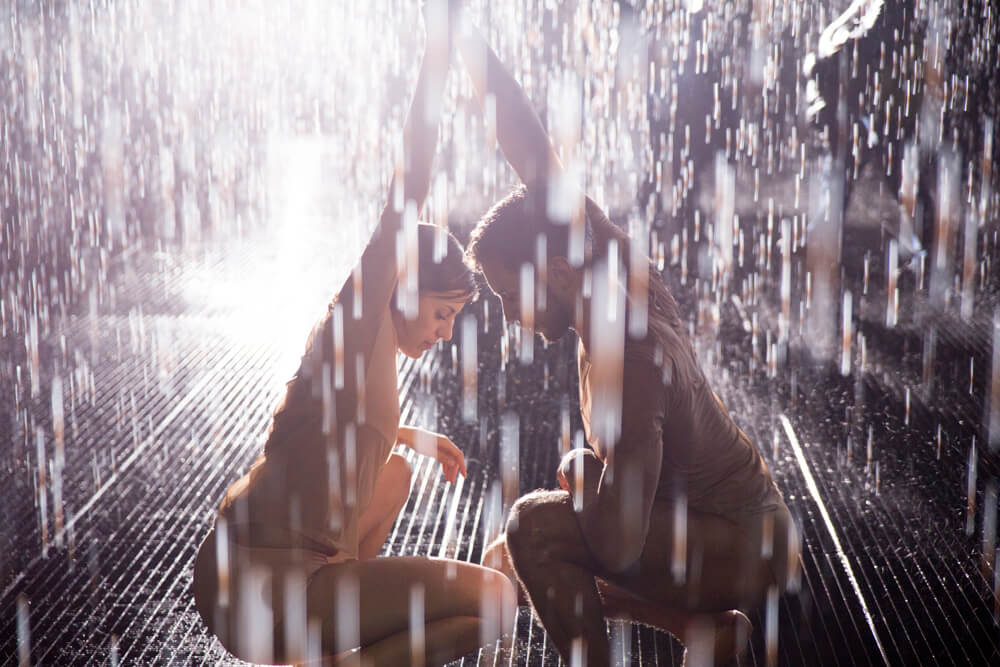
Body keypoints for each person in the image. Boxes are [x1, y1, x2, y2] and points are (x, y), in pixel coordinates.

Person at [453, 17, 800, 667]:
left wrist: (566, 506)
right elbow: (529, 147)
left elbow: (615, 546)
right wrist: (467, 43)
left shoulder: (629, 362)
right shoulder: (606, 270)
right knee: (552, 507)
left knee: (532, 527)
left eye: (509, 297)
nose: (509, 317)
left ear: (553, 272)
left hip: (748, 547)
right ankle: (703, 630)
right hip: (729, 525)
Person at [191, 5, 516, 665]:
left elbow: (328, 429)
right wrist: (439, 56)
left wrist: (411, 436)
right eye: (441, 313)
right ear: (400, 285)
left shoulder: (356, 356)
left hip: (240, 576)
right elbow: (409, 190)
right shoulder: (358, 318)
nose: (444, 333)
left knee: (395, 475)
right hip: (268, 588)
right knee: (497, 600)